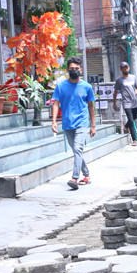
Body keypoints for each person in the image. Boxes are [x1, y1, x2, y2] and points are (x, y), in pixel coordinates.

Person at [51, 57, 96, 190]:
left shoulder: (87, 87)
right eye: (72, 69)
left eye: (77, 69)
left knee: (77, 149)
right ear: (67, 70)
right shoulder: (60, 86)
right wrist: (54, 122)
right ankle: (86, 175)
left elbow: (91, 106)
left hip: (82, 122)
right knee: (76, 151)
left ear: (80, 70)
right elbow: (55, 103)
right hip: (67, 123)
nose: (74, 71)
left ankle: (74, 178)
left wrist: (93, 125)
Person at [112, 61, 137, 145]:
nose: (126, 69)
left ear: (129, 68)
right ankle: (134, 140)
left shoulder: (133, 77)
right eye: (124, 68)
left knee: (134, 117)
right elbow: (115, 92)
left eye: (127, 67)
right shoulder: (119, 80)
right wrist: (114, 103)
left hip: (134, 101)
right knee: (131, 120)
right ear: (121, 69)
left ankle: (126, 126)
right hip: (126, 102)